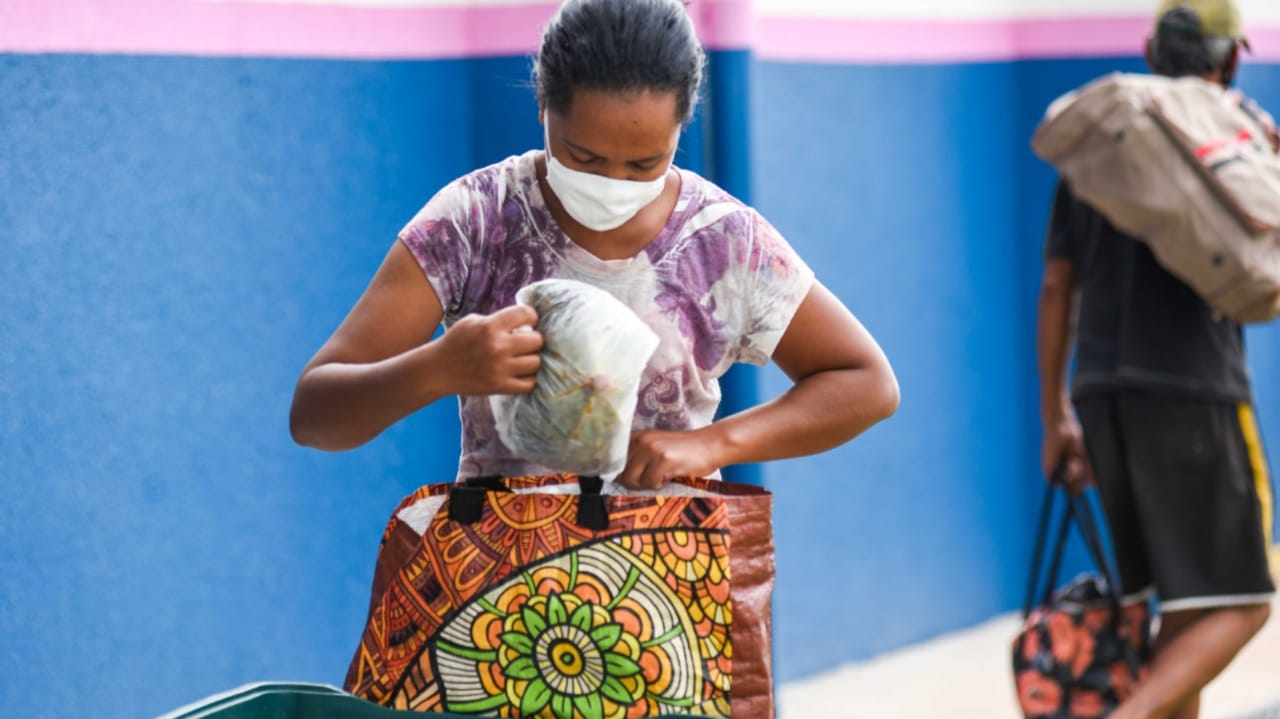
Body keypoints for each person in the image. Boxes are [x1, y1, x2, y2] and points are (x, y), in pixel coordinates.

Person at [289, 0, 899, 490]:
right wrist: (437, 368)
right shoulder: (475, 220)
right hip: (500, 595)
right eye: (583, 156)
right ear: (542, 104)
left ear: (681, 126)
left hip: (669, 599)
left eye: (644, 162)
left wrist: (713, 444)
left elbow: (865, 382)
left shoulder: (723, 240)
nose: (613, 184)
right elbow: (315, 415)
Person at [1038, 1, 1275, 716]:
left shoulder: (1094, 147)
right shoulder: (1236, 140)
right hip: (1196, 390)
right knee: (1245, 600)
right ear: (1230, 60)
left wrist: (1056, 416)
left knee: (1178, 604)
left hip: (1102, 396)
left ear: (1150, 51)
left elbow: (1056, 286)